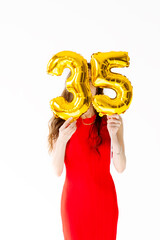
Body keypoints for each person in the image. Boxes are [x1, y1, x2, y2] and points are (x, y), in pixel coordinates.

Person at [48, 63, 126, 240]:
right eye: (82, 78)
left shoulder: (112, 118)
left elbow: (120, 167)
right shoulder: (62, 119)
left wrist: (114, 135)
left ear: (98, 84)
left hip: (105, 202)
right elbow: (56, 170)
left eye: (90, 79)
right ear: (72, 83)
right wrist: (61, 139)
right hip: (74, 204)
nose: (87, 84)